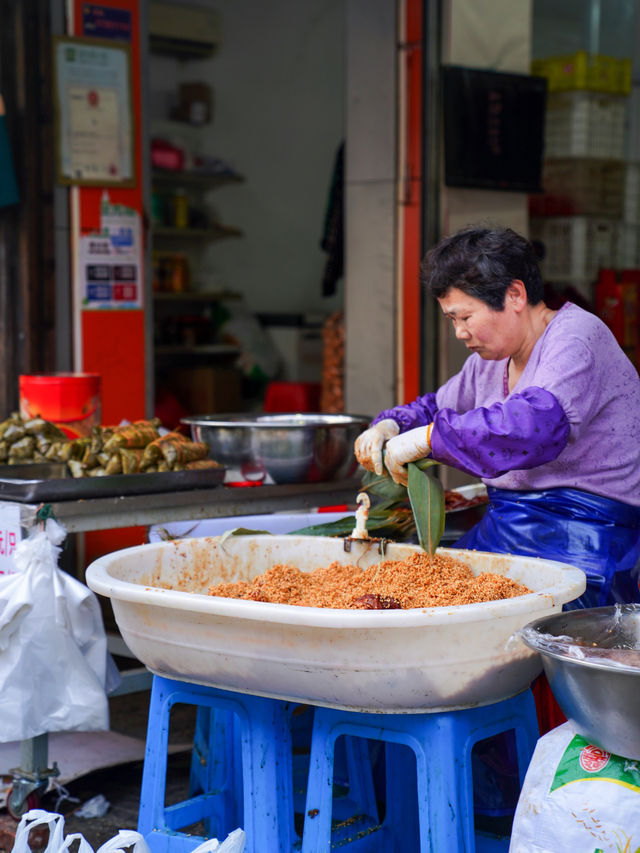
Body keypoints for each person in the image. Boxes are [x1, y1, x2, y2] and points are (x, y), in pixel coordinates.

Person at [355, 225, 640, 611]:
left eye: (465, 316)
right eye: (451, 320)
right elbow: (436, 408)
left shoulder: (576, 337)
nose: (459, 332)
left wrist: (429, 440)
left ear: (515, 295)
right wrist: (390, 425)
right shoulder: (487, 365)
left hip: (587, 540)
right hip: (506, 529)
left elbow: (533, 426)